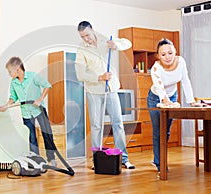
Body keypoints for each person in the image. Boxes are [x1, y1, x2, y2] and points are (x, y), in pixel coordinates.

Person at [75, 21, 135, 169]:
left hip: (111, 89)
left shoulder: (105, 41)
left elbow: (127, 43)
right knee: (96, 126)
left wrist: (116, 46)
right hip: (93, 92)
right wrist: (99, 77)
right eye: (83, 37)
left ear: (93, 30)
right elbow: (80, 74)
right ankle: (97, 160)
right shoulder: (81, 50)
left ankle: (123, 158)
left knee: (118, 123)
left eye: (88, 35)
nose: (86, 39)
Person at [147, 38, 203, 176]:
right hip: (156, 98)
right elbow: (160, 90)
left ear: (175, 52)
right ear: (158, 56)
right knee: (158, 131)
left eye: (170, 53)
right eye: (163, 54)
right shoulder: (155, 68)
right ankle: (160, 164)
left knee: (166, 131)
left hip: (173, 95)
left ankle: (160, 158)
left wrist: (191, 101)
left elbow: (185, 81)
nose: (167, 57)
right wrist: (165, 101)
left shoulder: (181, 62)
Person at [0, 56, 57, 167]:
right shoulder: (14, 83)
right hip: (26, 112)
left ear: (17, 69)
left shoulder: (32, 76)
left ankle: (52, 158)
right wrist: (6, 106)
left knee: (47, 133)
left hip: (38, 110)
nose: (9, 74)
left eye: (10, 71)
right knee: (31, 136)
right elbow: (13, 97)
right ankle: (36, 160)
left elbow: (47, 85)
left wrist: (40, 99)